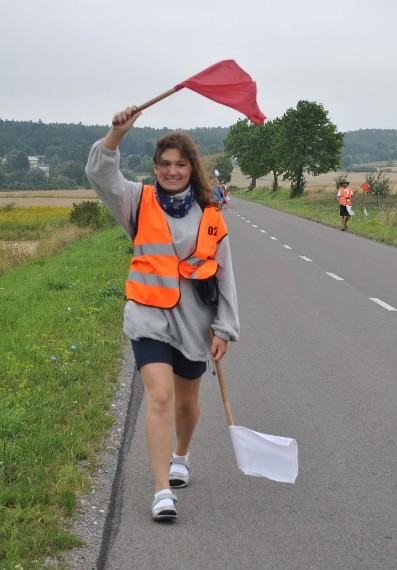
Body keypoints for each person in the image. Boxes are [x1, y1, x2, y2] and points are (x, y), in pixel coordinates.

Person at [85, 106, 240, 522]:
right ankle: (160, 492)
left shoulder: (210, 215)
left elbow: (224, 274)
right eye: (165, 165)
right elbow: (100, 173)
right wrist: (116, 134)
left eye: (180, 164)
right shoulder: (137, 200)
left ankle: (181, 455)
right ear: (155, 167)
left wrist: (224, 328)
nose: (172, 171)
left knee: (187, 403)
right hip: (148, 316)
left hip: (194, 322)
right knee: (159, 397)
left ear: (192, 168)